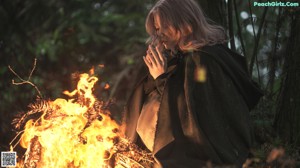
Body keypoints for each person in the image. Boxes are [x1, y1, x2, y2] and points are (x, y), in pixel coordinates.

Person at [122, 0, 263, 167]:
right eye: (157, 29)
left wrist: (161, 78)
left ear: (182, 23)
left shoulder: (204, 60)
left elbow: (197, 107)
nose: (159, 35)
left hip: (207, 147)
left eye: (163, 27)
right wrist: (158, 78)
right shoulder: (183, 57)